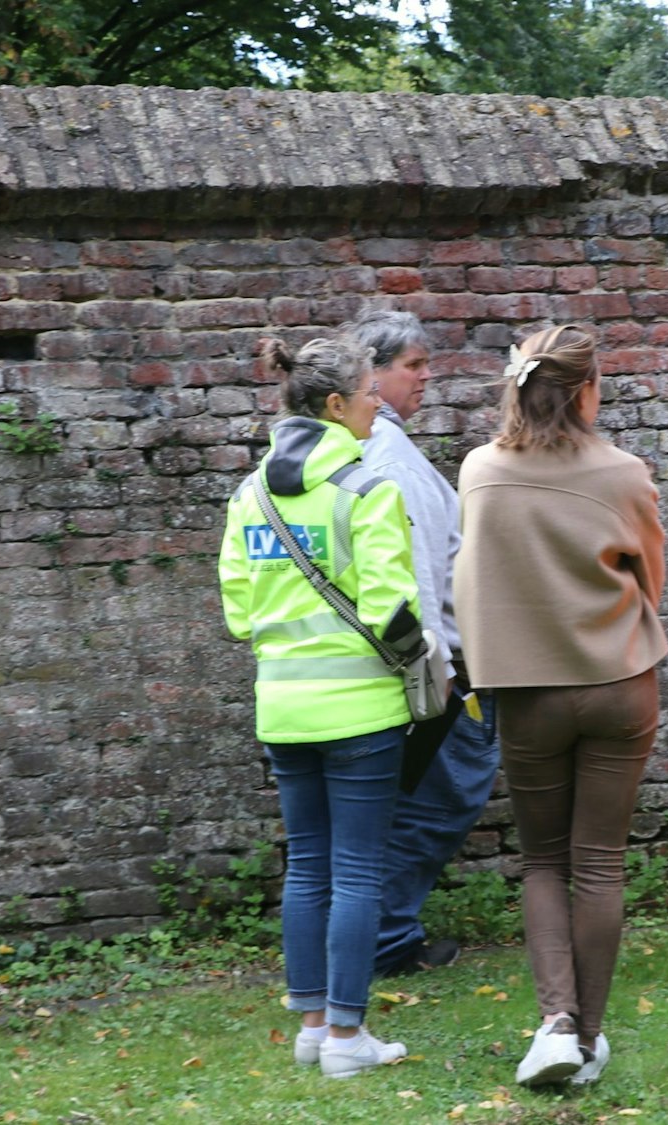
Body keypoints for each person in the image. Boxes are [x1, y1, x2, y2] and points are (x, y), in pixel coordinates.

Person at [452, 325, 668, 1088]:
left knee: (544, 859)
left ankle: (556, 1024)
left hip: (529, 690)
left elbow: (471, 582)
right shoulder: (625, 471)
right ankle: (591, 1037)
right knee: (599, 862)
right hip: (619, 681)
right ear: (587, 389)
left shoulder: (479, 470)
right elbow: (651, 577)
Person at [217, 336, 421, 1078]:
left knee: (307, 864)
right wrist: (419, 654)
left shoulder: (250, 495)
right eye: (371, 392)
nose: (380, 403)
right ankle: (346, 1037)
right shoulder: (367, 490)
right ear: (335, 405)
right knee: (360, 869)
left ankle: (311, 1023)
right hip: (361, 707)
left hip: (282, 705)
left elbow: (240, 615)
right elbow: (393, 609)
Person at [343, 311, 500, 978]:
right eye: (413, 364)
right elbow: (418, 580)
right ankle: (387, 938)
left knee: (402, 805)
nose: (426, 375)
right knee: (438, 800)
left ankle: (375, 932)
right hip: (433, 670)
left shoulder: (355, 452)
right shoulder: (392, 461)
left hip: (401, 667)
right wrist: (442, 670)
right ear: (371, 376)